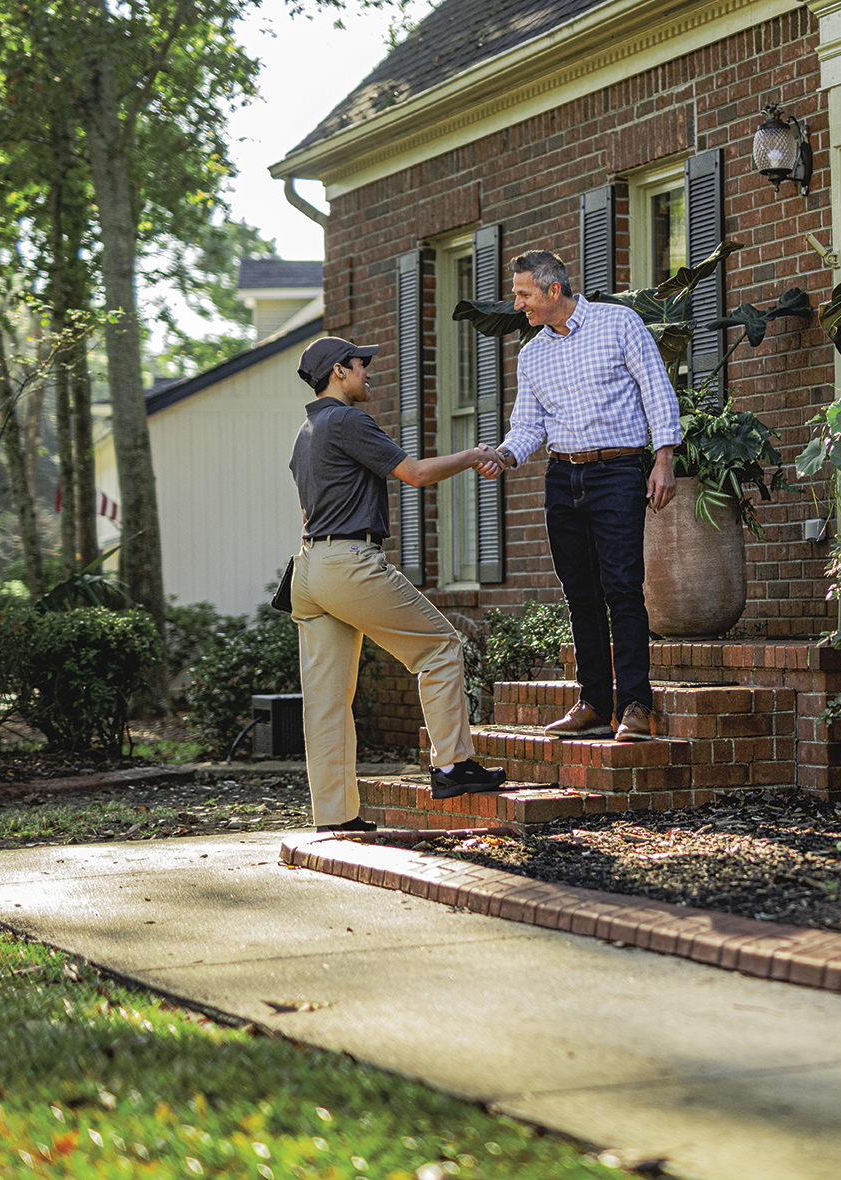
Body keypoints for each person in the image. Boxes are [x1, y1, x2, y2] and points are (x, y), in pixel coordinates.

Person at [288, 335, 508, 831]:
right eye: (362, 364)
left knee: (326, 699)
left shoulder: (306, 431)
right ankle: (452, 765)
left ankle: (334, 818)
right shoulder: (347, 420)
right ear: (339, 372)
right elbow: (415, 473)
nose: (369, 372)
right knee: (439, 647)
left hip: (309, 567)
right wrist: (474, 455)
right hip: (349, 562)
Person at [477, 249, 680, 741]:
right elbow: (528, 425)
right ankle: (593, 701)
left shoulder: (618, 323)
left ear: (553, 290)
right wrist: (504, 455)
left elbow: (656, 389)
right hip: (562, 477)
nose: (517, 303)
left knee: (623, 588)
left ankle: (635, 705)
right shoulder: (532, 354)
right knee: (579, 593)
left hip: (619, 469)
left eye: (523, 294)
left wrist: (664, 459)